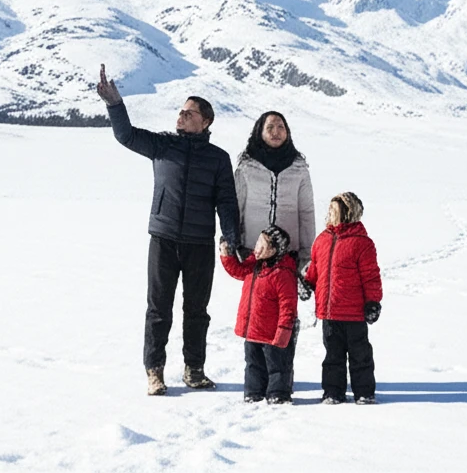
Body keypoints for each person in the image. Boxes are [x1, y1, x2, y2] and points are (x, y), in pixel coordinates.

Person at [97, 64, 240, 396]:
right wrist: (114, 105)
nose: (181, 116)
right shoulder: (163, 145)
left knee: (196, 310)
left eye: (188, 113)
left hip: (200, 244)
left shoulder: (218, 159)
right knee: (158, 308)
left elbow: (227, 202)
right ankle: (154, 372)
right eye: (180, 111)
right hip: (163, 239)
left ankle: (194, 370)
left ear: (205, 121)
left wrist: (230, 236)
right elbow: (126, 135)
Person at [233, 111, 315, 392]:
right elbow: (236, 206)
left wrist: (306, 256)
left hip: (288, 254)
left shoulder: (299, 167)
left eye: (281, 126)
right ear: (260, 131)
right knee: (259, 313)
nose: (277, 131)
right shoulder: (246, 166)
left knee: (284, 313)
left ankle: (281, 376)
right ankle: (258, 379)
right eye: (271, 127)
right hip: (255, 252)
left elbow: (306, 212)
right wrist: (235, 243)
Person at [301, 192, 383, 405]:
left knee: (360, 355)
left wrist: (373, 302)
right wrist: (307, 285)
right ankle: (332, 392)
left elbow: (371, 276)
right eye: (328, 210)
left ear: (347, 214)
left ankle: (364, 392)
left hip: (354, 313)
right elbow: (315, 270)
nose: (328, 214)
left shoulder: (362, 243)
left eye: (333, 211)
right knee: (332, 356)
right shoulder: (322, 240)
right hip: (329, 312)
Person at [220, 225, 298, 404]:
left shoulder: (282, 273)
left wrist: (284, 330)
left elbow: (288, 306)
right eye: (258, 243)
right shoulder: (254, 264)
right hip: (253, 329)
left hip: (273, 333)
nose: (257, 248)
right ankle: (254, 392)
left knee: (277, 365)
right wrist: (226, 255)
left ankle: (278, 393)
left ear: (275, 250)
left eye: (263, 245)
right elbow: (238, 271)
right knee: (253, 364)